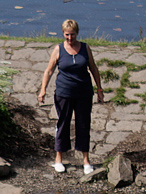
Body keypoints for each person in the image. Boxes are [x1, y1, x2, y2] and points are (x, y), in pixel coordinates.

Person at [37, 19, 105, 175]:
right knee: (63, 124)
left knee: (83, 124)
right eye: (67, 35)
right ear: (63, 34)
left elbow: (93, 68)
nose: (70, 38)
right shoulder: (58, 49)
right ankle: (58, 159)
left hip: (83, 93)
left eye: (72, 35)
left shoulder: (85, 48)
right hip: (64, 93)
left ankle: (86, 161)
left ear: (77, 33)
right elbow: (48, 71)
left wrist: (99, 89)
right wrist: (43, 90)